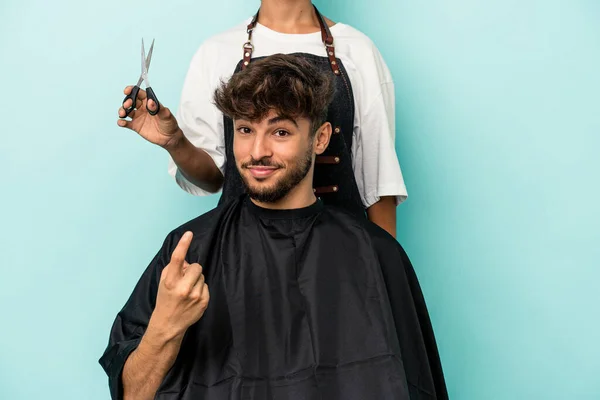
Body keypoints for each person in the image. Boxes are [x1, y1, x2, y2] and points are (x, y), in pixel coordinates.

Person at [103, 54, 447, 400]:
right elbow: (132, 394)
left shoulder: (376, 254)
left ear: (320, 138)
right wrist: (164, 328)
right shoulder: (189, 252)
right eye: (245, 130)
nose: (257, 151)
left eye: (280, 131)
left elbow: (416, 387)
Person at [118, 0, 407, 237]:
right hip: (240, 255)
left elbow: (379, 185)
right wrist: (175, 142)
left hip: (341, 254)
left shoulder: (359, 50)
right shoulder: (216, 52)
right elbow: (214, 179)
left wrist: (388, 278)